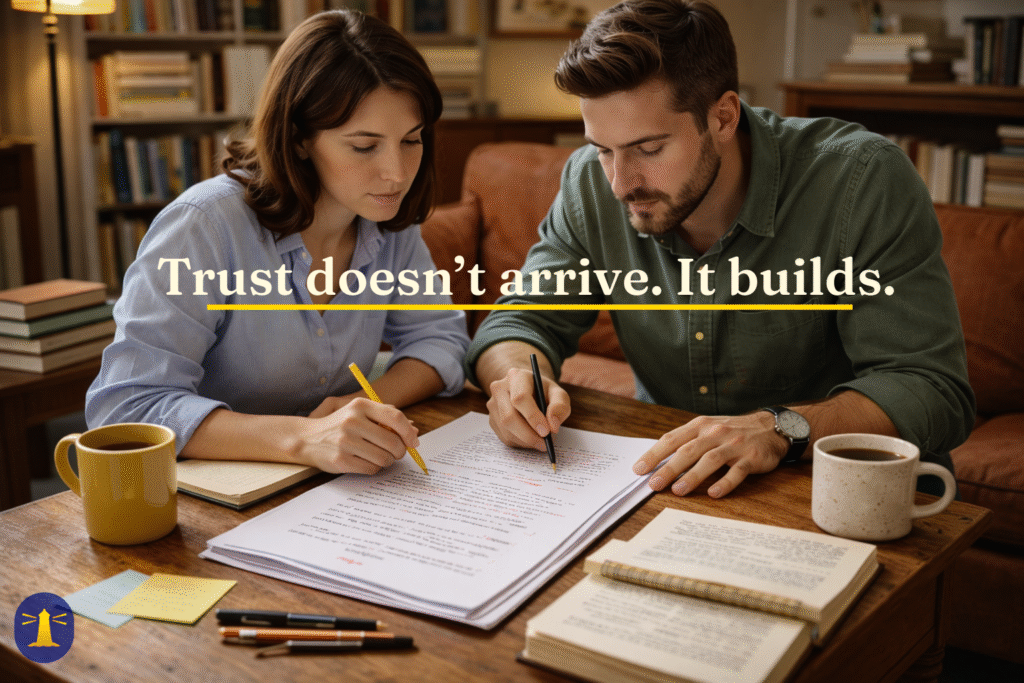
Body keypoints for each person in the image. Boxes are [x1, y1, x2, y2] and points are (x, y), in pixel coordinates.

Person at [466, 0, 973, 498]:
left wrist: (779, 428)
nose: (621, 184)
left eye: (649, 149)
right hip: (673, 485)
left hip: (844, 490)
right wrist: (516, 379)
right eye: (603, 150)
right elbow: (519, 322)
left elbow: (932, 389)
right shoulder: (590, 183)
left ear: (724, 118)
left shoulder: (861, 181)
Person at [86, 10, 469, 475]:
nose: (397, 173)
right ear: (299, 138)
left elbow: (440, 340)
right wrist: (304, 437)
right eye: (364, 146)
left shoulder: (388, 223)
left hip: (328, 482)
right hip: (205, 488)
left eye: (411, 140)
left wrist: (357, 407)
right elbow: (127, 407)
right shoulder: (204, 226)